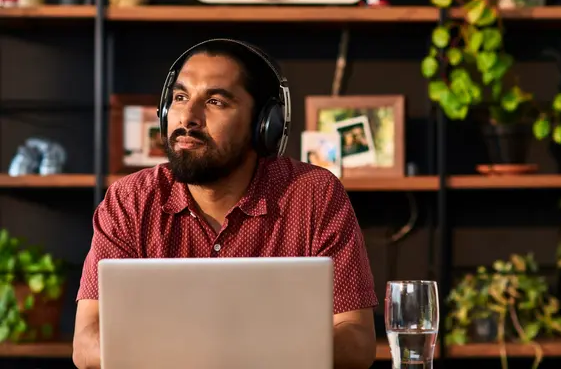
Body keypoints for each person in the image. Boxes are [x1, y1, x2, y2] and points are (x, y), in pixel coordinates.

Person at [72, 39, 378, 369]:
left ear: (264, 125)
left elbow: (357, 342)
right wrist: (236, 346)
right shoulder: (130, 200)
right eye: (180, 97)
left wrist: (205, 346)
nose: (188, 117)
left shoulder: (313, 195)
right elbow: (87, 344)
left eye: (215, 101)